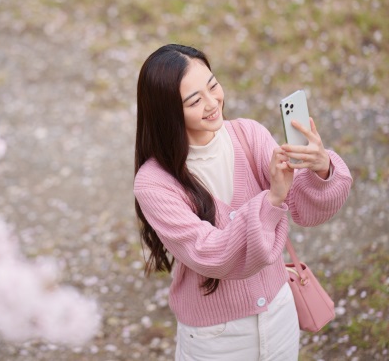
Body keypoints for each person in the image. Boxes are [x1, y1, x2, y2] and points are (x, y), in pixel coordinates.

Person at [133, 44, 353, 360]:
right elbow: (211, 254)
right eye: (195, 100)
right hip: (215, 337)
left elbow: (305, 210)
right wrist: (272, 199)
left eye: (213, 86)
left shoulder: (248, 134)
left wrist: (322, 169)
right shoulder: (154, 183)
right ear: (167, 111)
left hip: (280, 313)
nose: (212, 104)